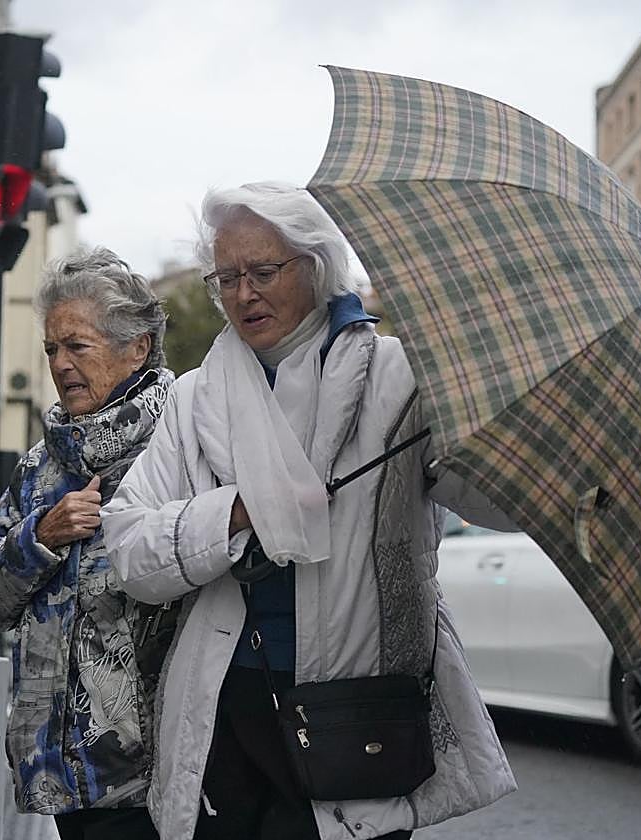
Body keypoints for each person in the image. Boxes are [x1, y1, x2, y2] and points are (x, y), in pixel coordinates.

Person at [102, 182, 518, 840]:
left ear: (317, 266)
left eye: (264, 272)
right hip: (225, 706)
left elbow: (498, 501)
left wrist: (485, 404)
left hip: (359, 709)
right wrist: (240, 512)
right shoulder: (194, 398)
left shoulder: (402, 381)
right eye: (227, 277)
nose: (243, 293)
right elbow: (129, 549)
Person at [0, 247, 173, 840]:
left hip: (157, 775)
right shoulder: (41, 466)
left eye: (77, 346)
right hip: (61, 773)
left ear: (137, 348)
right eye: (51, 349)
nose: (61, 364)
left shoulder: (180, 447)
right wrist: (40, 536)